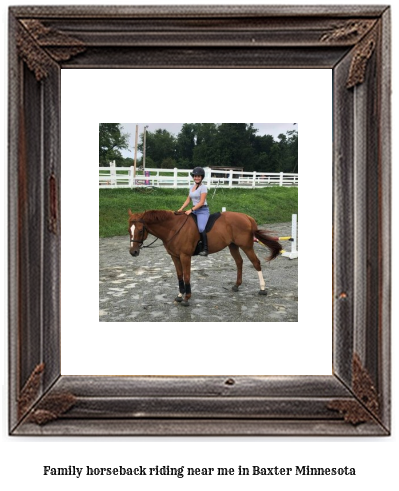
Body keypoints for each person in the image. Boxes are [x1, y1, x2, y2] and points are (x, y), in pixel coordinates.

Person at [178, 166, 210, 256]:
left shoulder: (203, 188)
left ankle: (205, 248)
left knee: (201, 228)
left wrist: (191, 210)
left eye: (198, 176)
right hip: (194, 210)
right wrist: (181, 209)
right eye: (195, 176)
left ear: (202, 177)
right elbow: (188, 200)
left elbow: (201, 202)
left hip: (202, 210)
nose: (196, 178)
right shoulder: (192, 187)